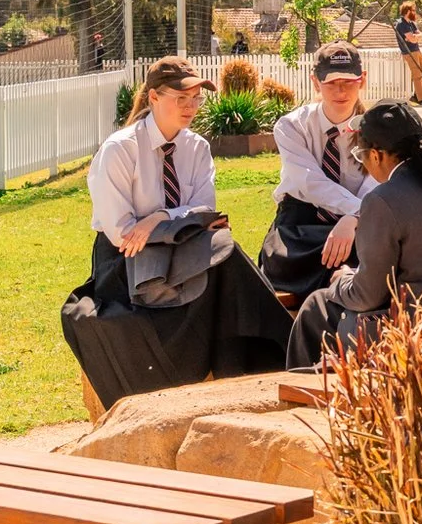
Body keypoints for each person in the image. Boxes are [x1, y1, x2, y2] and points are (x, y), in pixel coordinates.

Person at [61, 56, 292, 409]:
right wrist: (181, 223)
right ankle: (280, 356)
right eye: (180, 98)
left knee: (225, 254)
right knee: (220, 260)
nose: (190, 107)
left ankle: (274, 359)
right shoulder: (120, 149)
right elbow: (123, 233)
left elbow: (205, 210)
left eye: (196, 98)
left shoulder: (196, 147)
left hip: (184, 250)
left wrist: (159, 218)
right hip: (127, 263)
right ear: (153, 97)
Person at [287, 100, 422, 368]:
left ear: (376, 155)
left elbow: (367, 295)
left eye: (360, 156)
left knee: (317, 306)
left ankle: (306, 392)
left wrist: (342, 279)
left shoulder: (383, 200)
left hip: (418, 332)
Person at [258, 41, 377, 303]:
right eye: (331, 82)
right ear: (315, 82)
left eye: (349, 81)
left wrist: (353, 219)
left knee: (370, 257)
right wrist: (356, 211)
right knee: (280, 264)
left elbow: (378, 182)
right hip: (300, 224)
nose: (340, 90)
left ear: (362, 80)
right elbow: (308, 181)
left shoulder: (378, 128)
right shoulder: (291, 126)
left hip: (356, 226)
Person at [393, 2, 422, 99]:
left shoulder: (410, 23)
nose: (415, 12)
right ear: (407, 11)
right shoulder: (401, 24)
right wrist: (413, 37)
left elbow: (419, 35)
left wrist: (415, 36)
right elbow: (412, 39)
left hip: (416, 50)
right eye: (413, 11)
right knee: (417, 75)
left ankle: (417, 95)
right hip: (409, 52)